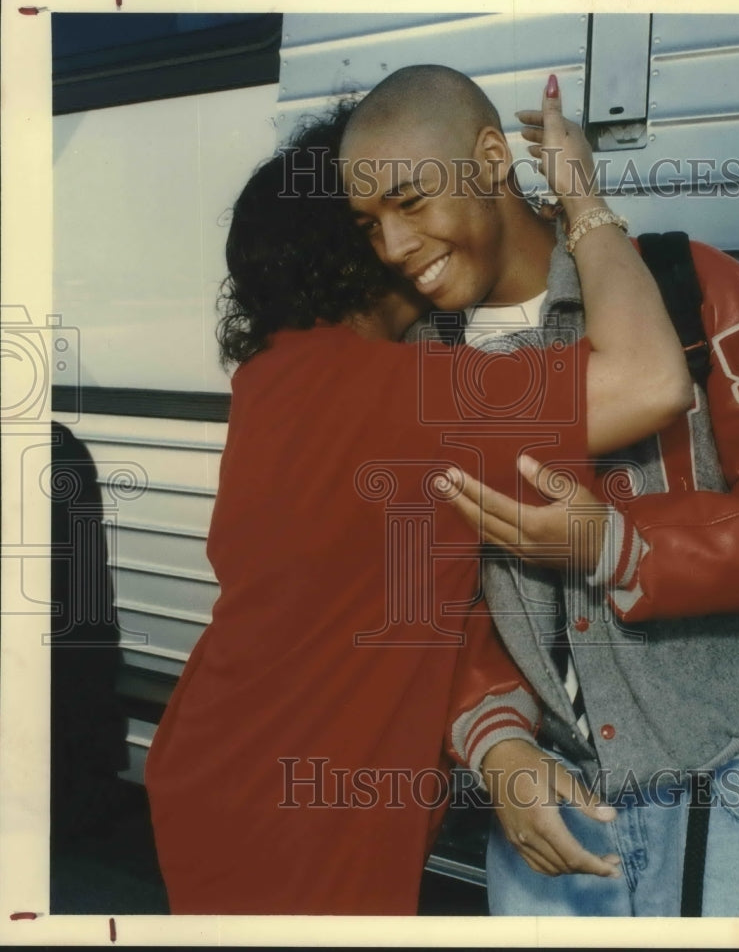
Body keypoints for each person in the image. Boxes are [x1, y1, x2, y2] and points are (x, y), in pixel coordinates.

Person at [341, 64, 739, 916]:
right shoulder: (415, 367)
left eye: (412, 202)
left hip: (726, 787)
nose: (393, 247)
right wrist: (492, 747)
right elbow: (426, 597)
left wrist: (626, 547)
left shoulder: (687, 288)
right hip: (544, 812)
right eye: (369, 223)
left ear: (492, 158)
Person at [142, 90, 693, 915]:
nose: (404, 236)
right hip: (307, 820)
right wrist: (580, 195)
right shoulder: (398, 396)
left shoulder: (275, 377)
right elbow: (652, 381)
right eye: (376, 217)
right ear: (358, 250)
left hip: (216, 767)